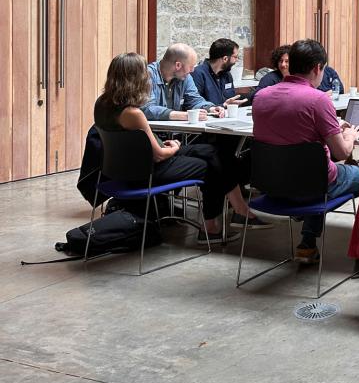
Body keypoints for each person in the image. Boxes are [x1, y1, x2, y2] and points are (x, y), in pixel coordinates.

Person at [96, 53, 255, 244]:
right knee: (212, 166)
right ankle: (211, 228)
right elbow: (160, 154)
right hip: (146, 170)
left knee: (211, 152)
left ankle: (238, 209)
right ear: (136, 78)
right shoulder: (134, 113)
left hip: (121, 168)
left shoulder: (101, 104)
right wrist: (175, 146)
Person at [252, 39, 359, 264]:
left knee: (311, 168)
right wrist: (350, 136)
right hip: (311, 187)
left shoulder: (261, 97)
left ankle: (308, 245)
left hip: (271, 185)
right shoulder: (318, 100)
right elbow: (342, 153)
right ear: (317, 68)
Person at [141, 43, 266, 233]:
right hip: (154, 145)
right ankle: (223, 219)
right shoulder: (148, 77)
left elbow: (195, 100)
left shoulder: (184, 78)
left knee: (220, 155)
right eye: (190, 67)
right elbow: (146, 109)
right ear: (178, 65)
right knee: (216, 160)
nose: (192, 72)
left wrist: (210, 108)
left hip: (173, 141)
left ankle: (226, 217)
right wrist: (180, 115)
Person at [190, 38, 246, 107]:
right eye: (235, 57)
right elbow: (194, 104)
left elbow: (230, 99)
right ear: (225, 59)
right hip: (208, 116)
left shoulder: (227, 74)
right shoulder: (198, 74)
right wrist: (223, 106)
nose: (236, 60)